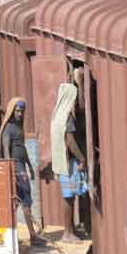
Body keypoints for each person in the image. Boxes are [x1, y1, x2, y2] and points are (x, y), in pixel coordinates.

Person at [0, 98, 44, 245]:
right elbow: (6, 149)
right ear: (12, 111)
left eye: (22, 111)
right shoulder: (8, 128)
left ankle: (31, 236)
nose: (20, 114)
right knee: (21, 202)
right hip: (15, 170)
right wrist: (9, 170)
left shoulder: (19, 128)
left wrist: (30, 166)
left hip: (22, 168)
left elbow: (22, 149)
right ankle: (24, 237)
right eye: (17, 111)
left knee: (24, 202)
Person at [50, 82, 87, 242]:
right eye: (75, 97)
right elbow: (70, 141)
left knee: (69, 196)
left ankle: (70, 230)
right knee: (69, 197)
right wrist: (82, 158)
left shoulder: (56, 115)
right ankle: (67, 233)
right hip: (69, 164)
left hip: (61, 163)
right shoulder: (67, 116)